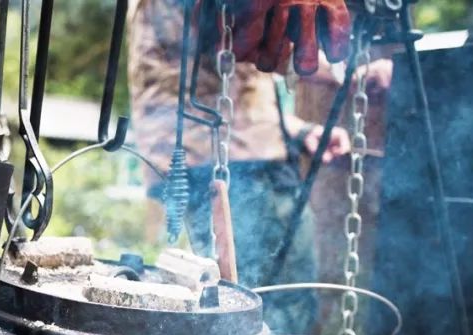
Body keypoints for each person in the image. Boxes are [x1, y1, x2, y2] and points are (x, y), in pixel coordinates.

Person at [128, 0, 352, 293]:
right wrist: (346, 71)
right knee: (277, 297)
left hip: (218, 153)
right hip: (234, 165)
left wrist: (298, 131)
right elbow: (234, 39)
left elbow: (222, 77)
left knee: (228, 299)